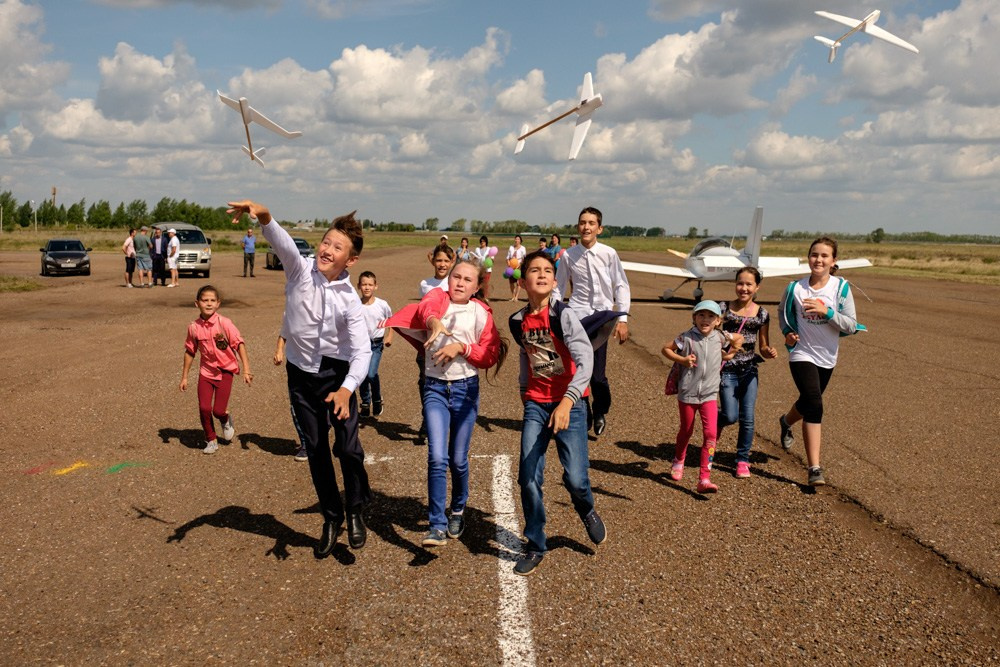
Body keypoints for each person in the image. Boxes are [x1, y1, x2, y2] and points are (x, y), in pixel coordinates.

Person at [227, 199, 373, 555]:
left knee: (348, 448)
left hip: (337, 377)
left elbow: (362, 352)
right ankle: (331, 517)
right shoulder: (298, 270)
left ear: (350, 260)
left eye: (338, 248)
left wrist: (346, 389)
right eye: (326, 242)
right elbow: (282, 242)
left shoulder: (350, 301)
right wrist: (263, 216)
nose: (327, 249)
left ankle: (355, 508)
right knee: (317, 450)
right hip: (300, 375)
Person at [381, 260, 507, 547]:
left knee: (458, 459)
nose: (460, 283)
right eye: (456, 277)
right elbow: (428, 307)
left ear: (477, 287)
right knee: (437, 457)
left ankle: (458, 509)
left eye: (467, 280)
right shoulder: (436, 298)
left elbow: (489, 355)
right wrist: (433, 322)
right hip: (435, 389)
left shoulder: (480, 312)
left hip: (466, 390)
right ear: (448, 280)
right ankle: (436, 524)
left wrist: (461, 347)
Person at [508, 250, 618, 576]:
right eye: (534, 270)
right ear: (523, 280)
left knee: (576, 479)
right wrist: (525, 396)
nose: (541, 274)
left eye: (547, 270)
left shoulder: (564, 316)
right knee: (528, 477)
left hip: (571, 405)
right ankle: (536, 543)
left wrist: (568, 402)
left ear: (555, 281)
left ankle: (585, 508)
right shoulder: (517, 321)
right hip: (536, 406)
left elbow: (585, 362)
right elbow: (527, 359)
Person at [777, 237, 865, 487]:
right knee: (814, 403)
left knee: (807, 401)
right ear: (808, 258)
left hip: (827, 356)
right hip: (801, 353)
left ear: (833, 261)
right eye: (815, 255)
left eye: (825, 256)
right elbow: (782, 314)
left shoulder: (841, 289)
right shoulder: (795, 288)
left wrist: (826, 311)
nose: (819, 260)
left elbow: (851, 324)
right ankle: (814, 467)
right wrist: (787, 332)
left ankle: (785, 421)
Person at [552, 207, 631, 437]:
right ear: (578, 226)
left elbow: (621, 286)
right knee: (575, 368)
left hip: (602, 319)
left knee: (597, 374)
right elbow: (559, 287)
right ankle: (583, 410)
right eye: (582, 222)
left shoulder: (609, 254)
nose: (586, 227)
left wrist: (622, 318)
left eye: (591, 223)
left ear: (599, 228)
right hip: (577, 318)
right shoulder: (568, 256)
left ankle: (600, 409)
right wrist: (555, 313)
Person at [661, 301, 742, 494]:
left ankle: (704, 478)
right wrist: (682, 360)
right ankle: (679, 460)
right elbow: (666, 349)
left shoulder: (721, 337)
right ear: (694, 318)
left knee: (711, 435)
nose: (705, 320)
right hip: (688, 393)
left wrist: (731, 354)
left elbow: (739, 338)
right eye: (701, 315)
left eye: (710, 316)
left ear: (718, 321)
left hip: (710, 394)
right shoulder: (686, 337)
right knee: (686, 431)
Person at [717, 268, 778, 478]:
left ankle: (742, 459)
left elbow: (762, 345)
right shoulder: (722, 308)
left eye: (749, 284)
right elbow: (708, 333)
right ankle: (718, 421)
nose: (744, 288)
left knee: (748, 418)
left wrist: (769, 352)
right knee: (730, 415)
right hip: (726, 370)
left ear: (757, 287)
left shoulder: (762, 314)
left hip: (749, 370)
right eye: (740, 283)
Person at [179, 285, 253, 454]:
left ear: (218, 303)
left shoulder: (224, 323)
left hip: (225, 370)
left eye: (213, 300)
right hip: (206, 372)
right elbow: (190, 352)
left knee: (218, 410)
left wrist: (247, 370)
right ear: (197, 303)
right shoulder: (193, 327)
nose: (209, 304)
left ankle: (225, 419)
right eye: (205, 300)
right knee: (204, 408)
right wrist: (184, 377)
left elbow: (239, 344)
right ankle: (211, 439)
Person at [357, 271, 393, 418]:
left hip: (376, 344)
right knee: (362, 375)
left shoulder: (382, 305)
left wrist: (390, 336)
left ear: (375, 286)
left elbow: (391, 320)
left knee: (371, 373)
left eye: (370, 284)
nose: (367, 287)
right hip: (360, 345)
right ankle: (366, 402)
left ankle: (377, 399)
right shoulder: (356, 305)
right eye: (364, 284)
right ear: (358, 286)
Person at [273, 332, 310, 462]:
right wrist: (279, 350)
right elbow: (284, 332)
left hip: (319, 366)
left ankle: (320, 430)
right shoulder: (291, 311)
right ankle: (306, 444)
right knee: (296, 407)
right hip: (295, 366)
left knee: (321, 405)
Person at [506, 234, 527, 301]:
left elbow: (524, 258)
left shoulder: (523, 248)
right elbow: (507, 257)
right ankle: (513, 296)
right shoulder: (511, 247)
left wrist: (519, 265)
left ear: (520, 240)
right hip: (511, 266)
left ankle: (516, 297)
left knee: (518, 282)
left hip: (518, 266)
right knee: (511, 282)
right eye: (515, 239)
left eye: (518, 239)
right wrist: (508, 263)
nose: (516, 240)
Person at [473, 235, 492, 300]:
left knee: (485, 283)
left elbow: (492, 259)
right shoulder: (477, 249)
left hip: (487, 269)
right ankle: (479, 295)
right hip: (479, 269)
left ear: (486, 242)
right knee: (479, 282)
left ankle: (485, 296)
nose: (482, 242)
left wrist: (489, 258)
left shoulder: (489, 249)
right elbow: (475, 258)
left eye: (483, 241)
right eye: (481, 241)